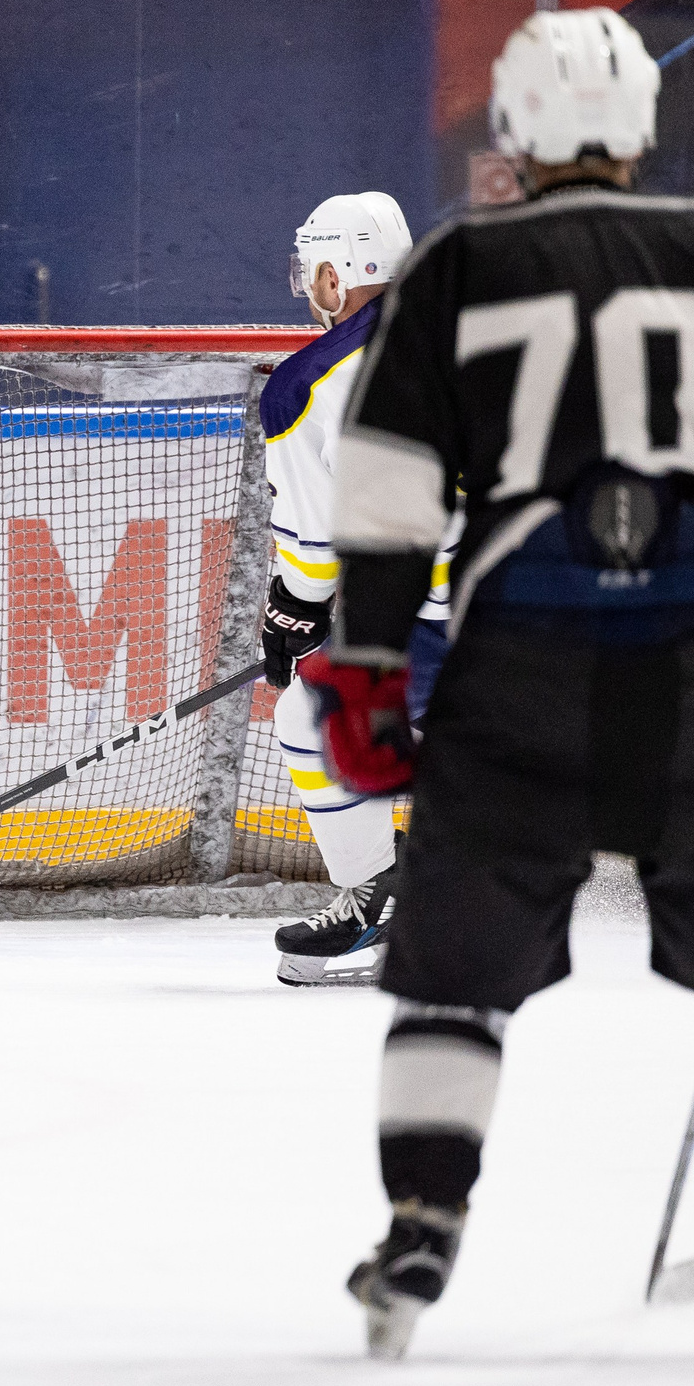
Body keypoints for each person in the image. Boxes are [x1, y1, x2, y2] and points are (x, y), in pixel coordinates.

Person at [301, 9, 694, 1358]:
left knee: (452, 982)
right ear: (639, 126)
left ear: (514, 127)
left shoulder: (453, 270)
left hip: (522, 674)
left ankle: (420, 1231)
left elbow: (387, 492)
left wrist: (377, 663)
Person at [255, 191, 455, 987]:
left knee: (311, 711)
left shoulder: (312, 383)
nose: (309, 287)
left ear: (338, 275)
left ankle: (383, 904)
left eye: (313, 270)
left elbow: (309, 563)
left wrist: (291, 615)